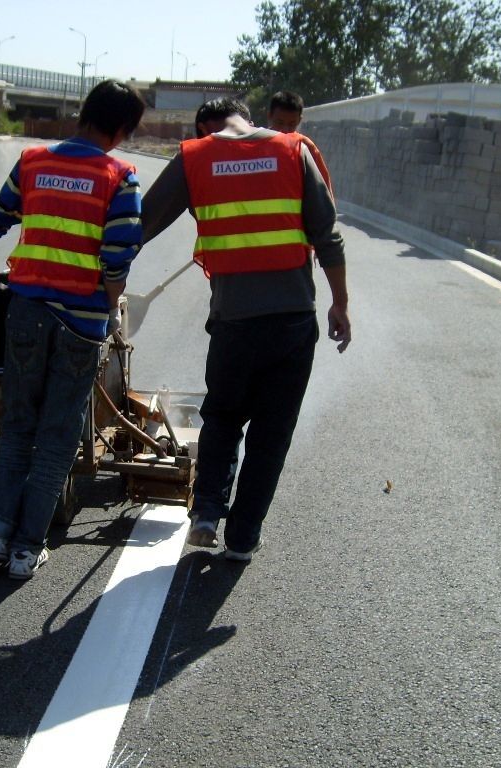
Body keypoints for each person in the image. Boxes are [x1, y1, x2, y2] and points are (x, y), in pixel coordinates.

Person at [0, 79, 145, 579]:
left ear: (83, 114)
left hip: (27, 314)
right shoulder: (119, 176)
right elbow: (116, 259)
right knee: (57, 437)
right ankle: (25, 550)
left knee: (17, 429)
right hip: (80, 324)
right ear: (121, 130)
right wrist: (109, 310)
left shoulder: (34, 162)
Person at [140, 97, 351, 561]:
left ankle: (208, 513)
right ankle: (243, 536)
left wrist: (100, 276)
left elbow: (140, 224)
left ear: (203, 130)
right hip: (293, 321)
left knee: (223, 416)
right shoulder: (294, 150)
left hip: (234, 324)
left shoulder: (195, 157)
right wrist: (340, 303)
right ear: (249, 119)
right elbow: (327, 235)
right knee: (272, 433)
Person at [267, 89, 333, 198]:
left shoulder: (306, 147)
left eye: (292, 124)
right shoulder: (256, 145)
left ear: (299, 120)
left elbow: (324, 188)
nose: (285, 130)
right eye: (280, 123)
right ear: (269, 116)